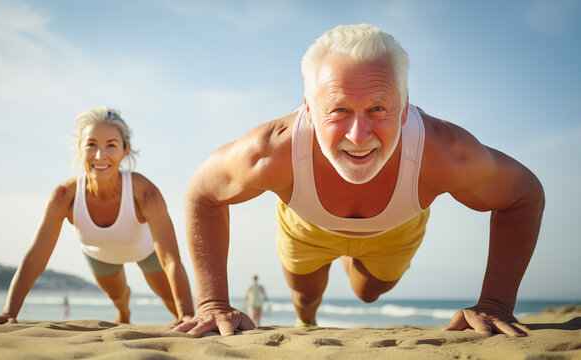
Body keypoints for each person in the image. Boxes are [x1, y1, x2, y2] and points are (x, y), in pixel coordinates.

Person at [175, 24, 545, 337]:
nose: (358, 134)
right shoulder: (267, 154)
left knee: (369, 293)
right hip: (307, 226)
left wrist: (495, 303)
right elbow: (203, 193)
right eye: (338, 110)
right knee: (305, 295)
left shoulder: (446, 153)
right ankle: (308, 320)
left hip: (394, 230)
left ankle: (353, 259)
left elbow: (523, 195)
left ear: (403, 106)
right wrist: (212, 303)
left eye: (378, 109)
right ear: (308, 107)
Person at [0, 107, 194, 325]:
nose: (99, 154)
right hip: (98, 254)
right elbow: (36, 258)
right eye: (91, 144)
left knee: (171, 302)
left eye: (111, 145)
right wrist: (9, 311)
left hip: (144, 251)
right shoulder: (64, 196)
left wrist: (186, 315)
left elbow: (170, 259)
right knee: (117, 296)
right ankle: (123, 311)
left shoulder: (145, 193)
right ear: (80, 148)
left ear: (125, 150)